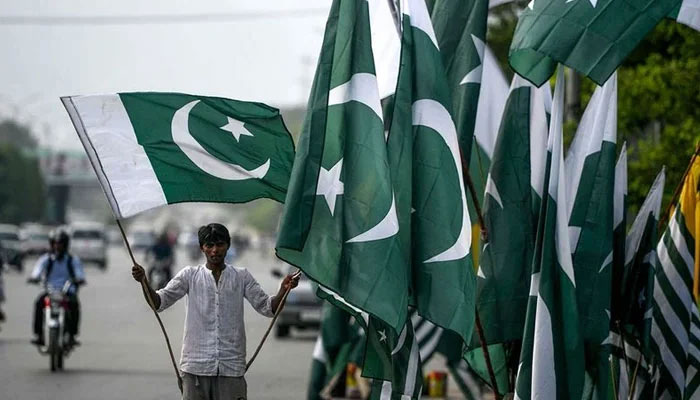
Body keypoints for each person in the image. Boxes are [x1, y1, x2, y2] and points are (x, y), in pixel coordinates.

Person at [131, 223, 299, 400]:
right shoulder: (189, 275)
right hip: (195, 369)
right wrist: (144, 281)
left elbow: (269, 308)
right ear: (202, 248)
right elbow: (158, 303)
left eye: (220, 244)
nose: (215, 250)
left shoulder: (242, 276)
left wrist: (284, 290)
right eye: (209, 245)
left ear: (228, 245)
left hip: (231, 368)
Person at [28, 228, 86, 346]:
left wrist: (79, 279)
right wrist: (34, 277)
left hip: (66, 292)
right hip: (50, 291)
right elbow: (37, 271)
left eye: (60, 243)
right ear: (51, 244)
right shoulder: (46, 259)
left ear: (65, 245)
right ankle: (39, 335)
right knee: (39, 303)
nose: (57, 246)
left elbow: (79, 273)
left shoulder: (72, 260)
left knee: (74, 305)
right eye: (55, 243)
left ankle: (72, 335)